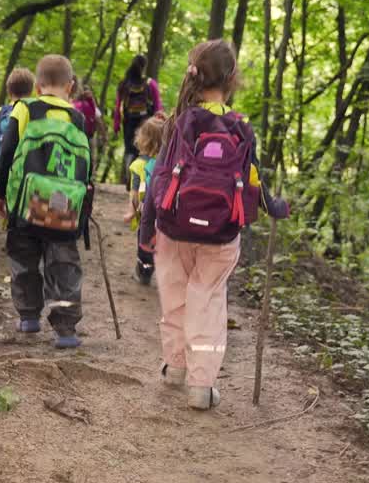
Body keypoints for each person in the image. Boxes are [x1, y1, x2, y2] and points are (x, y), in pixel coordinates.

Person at [139, 40, 289, 410]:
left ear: (194, 74)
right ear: (231, 78)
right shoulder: (241, 128)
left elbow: (159, 178)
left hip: (174, 228)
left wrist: (146, 232)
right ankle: (201, 386)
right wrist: (275, 206)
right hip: (221, 234)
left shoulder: (178, 122)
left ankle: (174, 368)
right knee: (207, 304)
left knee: (175, 299)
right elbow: (254, 179)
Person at [0, 55, 91, 349]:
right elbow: (87, 168)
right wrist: (83, 214)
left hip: (26, 205)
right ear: (71, 86)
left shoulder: (25, 109)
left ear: (37, 87)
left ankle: (28, 316)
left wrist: (2, 195)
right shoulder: (78, 118)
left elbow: (7, 152)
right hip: (64, 208)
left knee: (23, 257)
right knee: (63, 263)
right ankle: (66, 329)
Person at [122, 114, 164, 286]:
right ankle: (156, 267)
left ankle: (144, 269)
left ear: (143, 139)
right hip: (162, 212)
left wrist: (131, 211)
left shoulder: (138, 165)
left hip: (144, 211)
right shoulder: (165, 164)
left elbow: (134, 192)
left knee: (144, 242)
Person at [112, 54, 163, 181]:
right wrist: (159, 119)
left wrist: (116, 124)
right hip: (146, 121)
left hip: (128, 121)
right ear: (144, 66)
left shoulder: (123, 84)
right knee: (146, 148)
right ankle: (143, 177)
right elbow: (157, 103)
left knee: (130, 149)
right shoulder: (150, 83)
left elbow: (118, 106)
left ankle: (130, 174)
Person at [0, 67, 35, 176]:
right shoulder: (33, 110)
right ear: (31, 91)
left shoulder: (2, 111)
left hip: (1, 161)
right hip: (25, 164)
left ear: (9, 91)